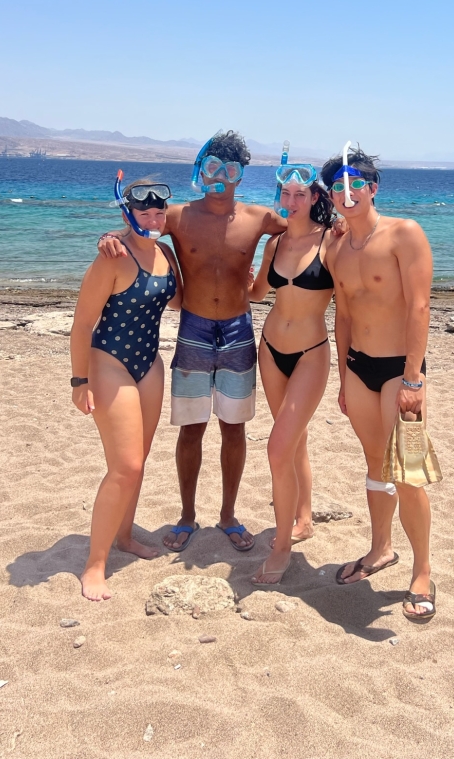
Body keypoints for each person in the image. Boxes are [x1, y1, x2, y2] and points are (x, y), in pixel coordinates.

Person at [97, 131, 288, 554]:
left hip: (238, 329)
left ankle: (228, 515)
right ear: (202, 170)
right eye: (215, 167)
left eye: (233, 170)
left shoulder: (259, 217)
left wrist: (339, 222)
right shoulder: (179, 216)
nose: (223, 177)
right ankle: (187, 515)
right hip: (194, 329)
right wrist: (111, 234)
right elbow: (140, 222)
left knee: (234, 427)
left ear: (242, 175)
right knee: (192, 427)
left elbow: (303, 227)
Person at [324, 146, 437, 621]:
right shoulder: (334, 246)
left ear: (372, 187)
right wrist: (344, 375)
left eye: (355, 183)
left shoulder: (404, 234)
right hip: (359, 369)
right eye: (337, 186)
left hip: (400, 373)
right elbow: (343, 313)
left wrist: (413, 377)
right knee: (375, 464)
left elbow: (419, 307)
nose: (346, 193)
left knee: (408, 472)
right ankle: (380, 549)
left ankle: (424, 570)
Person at [70, 176, 182, 601]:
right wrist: (79, 381)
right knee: (126, 466)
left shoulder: (166, 254)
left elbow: (176, 301)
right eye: (144, 212)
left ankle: (125, 537)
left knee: (139, 460)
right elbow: (82, 324)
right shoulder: (111, 258)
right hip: (110, 364)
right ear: (127, 214)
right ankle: (94, 565)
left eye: (159, 212)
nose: (152, 218)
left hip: (149, 365)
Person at [248, 163, 335, 584]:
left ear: (316, 198)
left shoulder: (333, 241)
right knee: (291, 435)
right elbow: (257, 293)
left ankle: (282, 547)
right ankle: (303, 515)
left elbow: (355, 296)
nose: (292, 201)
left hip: (310, 353)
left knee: (278, 447)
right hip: (270, 350)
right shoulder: (275, 242)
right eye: (287, 194)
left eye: (302, 194)